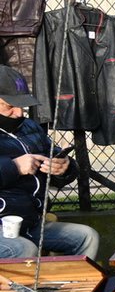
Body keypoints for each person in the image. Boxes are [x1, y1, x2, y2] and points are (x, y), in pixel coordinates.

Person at [0, 66, 99, 260]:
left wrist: (64, 168)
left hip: (30, 223)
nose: (19, 113)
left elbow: (62, 165)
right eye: (10, 106)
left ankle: (72, 290)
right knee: (23, 250)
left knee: (87, 237)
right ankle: (23, 291)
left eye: (23, 105)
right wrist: (15, 167)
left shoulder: (30, 127)